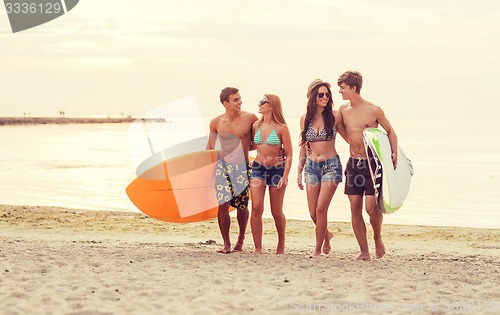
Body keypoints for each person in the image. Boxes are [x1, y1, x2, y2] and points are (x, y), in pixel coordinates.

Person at [337, 70, 398, 260]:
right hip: (354, 164)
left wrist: (393, 152)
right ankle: (364, 251)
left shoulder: (374, 110)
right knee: (354, 207)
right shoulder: (343, 110)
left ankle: (377, 237)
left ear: (354, 88)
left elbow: (390, 131)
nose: (340, 91)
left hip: (373, 165)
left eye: (343, 88)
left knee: (371, 208)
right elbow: (342, 131)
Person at [297, 79, 346, 257]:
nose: (325, 97)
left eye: (327, 94)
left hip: (331, 166)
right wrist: (298, 171)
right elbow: (303, 146)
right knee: (312, 212)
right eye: (321, 95)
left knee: (320, 209)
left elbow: (348, 137)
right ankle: (326, 234)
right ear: (312, 97)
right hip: (311, 167)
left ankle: (318, 250)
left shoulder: (335, 116)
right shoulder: (305, 119)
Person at [206, 87, 258, 253]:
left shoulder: (250, 118)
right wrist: (206, 169)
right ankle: (226, 244)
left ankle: (240, 239)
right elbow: (210, 147)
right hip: (222, 166)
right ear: (225, 103)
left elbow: (257, 143)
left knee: (242, 206)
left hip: (242, 167)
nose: (240, 102)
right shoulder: (216, 122)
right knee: (222, 204)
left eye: (240, 98)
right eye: (235, 100)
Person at [250, 94, 293, 255]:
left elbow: (289, 154)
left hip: (277, 170)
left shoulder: (282, 128)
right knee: (256, 207)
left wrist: (285, 176)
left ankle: (281, 243)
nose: (259, 104)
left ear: (272, 106)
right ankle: (258, 247)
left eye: (263, 102)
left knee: (276, 211)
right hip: (258, 168)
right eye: (259, 101)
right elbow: (252, 146)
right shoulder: (256, 125)